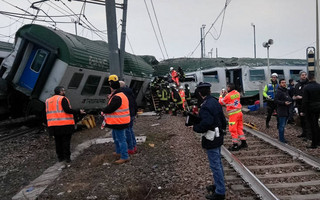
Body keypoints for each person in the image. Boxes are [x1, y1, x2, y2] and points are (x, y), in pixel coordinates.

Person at [191, 82, 226, 200]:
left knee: (215, 165)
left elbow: (206, 122)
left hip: (211, 137)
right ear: (209, 91)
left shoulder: (205, 106)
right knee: (218, 163)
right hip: (218, 135)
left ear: (200, 93)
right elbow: (222, 118)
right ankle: (218, 185)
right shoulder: (215, 102)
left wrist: (196, 127)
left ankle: (220, 192)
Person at [45, 86, 85, 165]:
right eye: (63, 90)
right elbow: (67, 110)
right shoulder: (62, 99)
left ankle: (60, 157)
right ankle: (67, 158)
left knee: (58, 142)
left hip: (53, 125)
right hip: (64, 125)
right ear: (60, 92)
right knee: (66, 142)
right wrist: (78, 111)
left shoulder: (48, 100)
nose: (64, 92)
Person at [102, 75, 130, 164]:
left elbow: (111, 108)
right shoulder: (120, 95)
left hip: (119, 122)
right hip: (118, 121)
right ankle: (118, 152)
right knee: (116, 138)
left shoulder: (117, 97)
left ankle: (124, 156)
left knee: (121, 139)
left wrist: (103, 110)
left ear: (112, 88)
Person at [219, 83, 248, 151]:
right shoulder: (237, 93)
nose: (226, 88)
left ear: (229, 88)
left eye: (227, 87)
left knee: (233, 129)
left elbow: (221, 102)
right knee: (239, 128)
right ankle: (244, 142)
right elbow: (231, 98)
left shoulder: (228, 96)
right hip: (239, 113)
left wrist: (221, 95)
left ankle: (235, 145)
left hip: (233, 115)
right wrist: (227, 94)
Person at [119, 81, 138, 154]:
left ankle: (130, 148)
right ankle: (134, 146)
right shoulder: (130, 93)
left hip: (126, 115)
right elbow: (134, 103)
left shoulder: (122, 94)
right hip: (132, 114)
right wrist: (135, 112)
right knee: (130, 130)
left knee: (127, 132)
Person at [302, 73, 320, 148]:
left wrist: (303, 110)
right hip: (319, 108)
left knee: (313, 126)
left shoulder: (306, 87)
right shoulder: (319, 86)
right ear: (314, 78)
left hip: (310, 109)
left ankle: (314, 144)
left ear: (308, 78)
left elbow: (305, 101)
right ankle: (319, 141)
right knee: (317, 125)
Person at [274, 79, 292, 143]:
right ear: (280, 84)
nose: (284, 84)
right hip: (281, 110)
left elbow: (288, 98)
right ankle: (281, 139)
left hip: (286, 110)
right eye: (282, 83)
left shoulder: (286, 91)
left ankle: (282, 137)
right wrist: (284, 103)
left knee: (283, 125)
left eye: (285, 82)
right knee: (281, 125)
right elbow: (276, 100)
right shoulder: (279, 91)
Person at [293, 71, 310, 139]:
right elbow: (294, 93)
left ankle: (308, 134)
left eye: (305, 75)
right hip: (299, 104)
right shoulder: (297, 85)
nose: (304, 76)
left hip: (306, 105)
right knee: (302, 119)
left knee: (307, 120)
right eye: (302, 75)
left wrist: (302, 97)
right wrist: (295, 97)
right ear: (300, 76)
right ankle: (304, 132)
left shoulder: (308, 84)